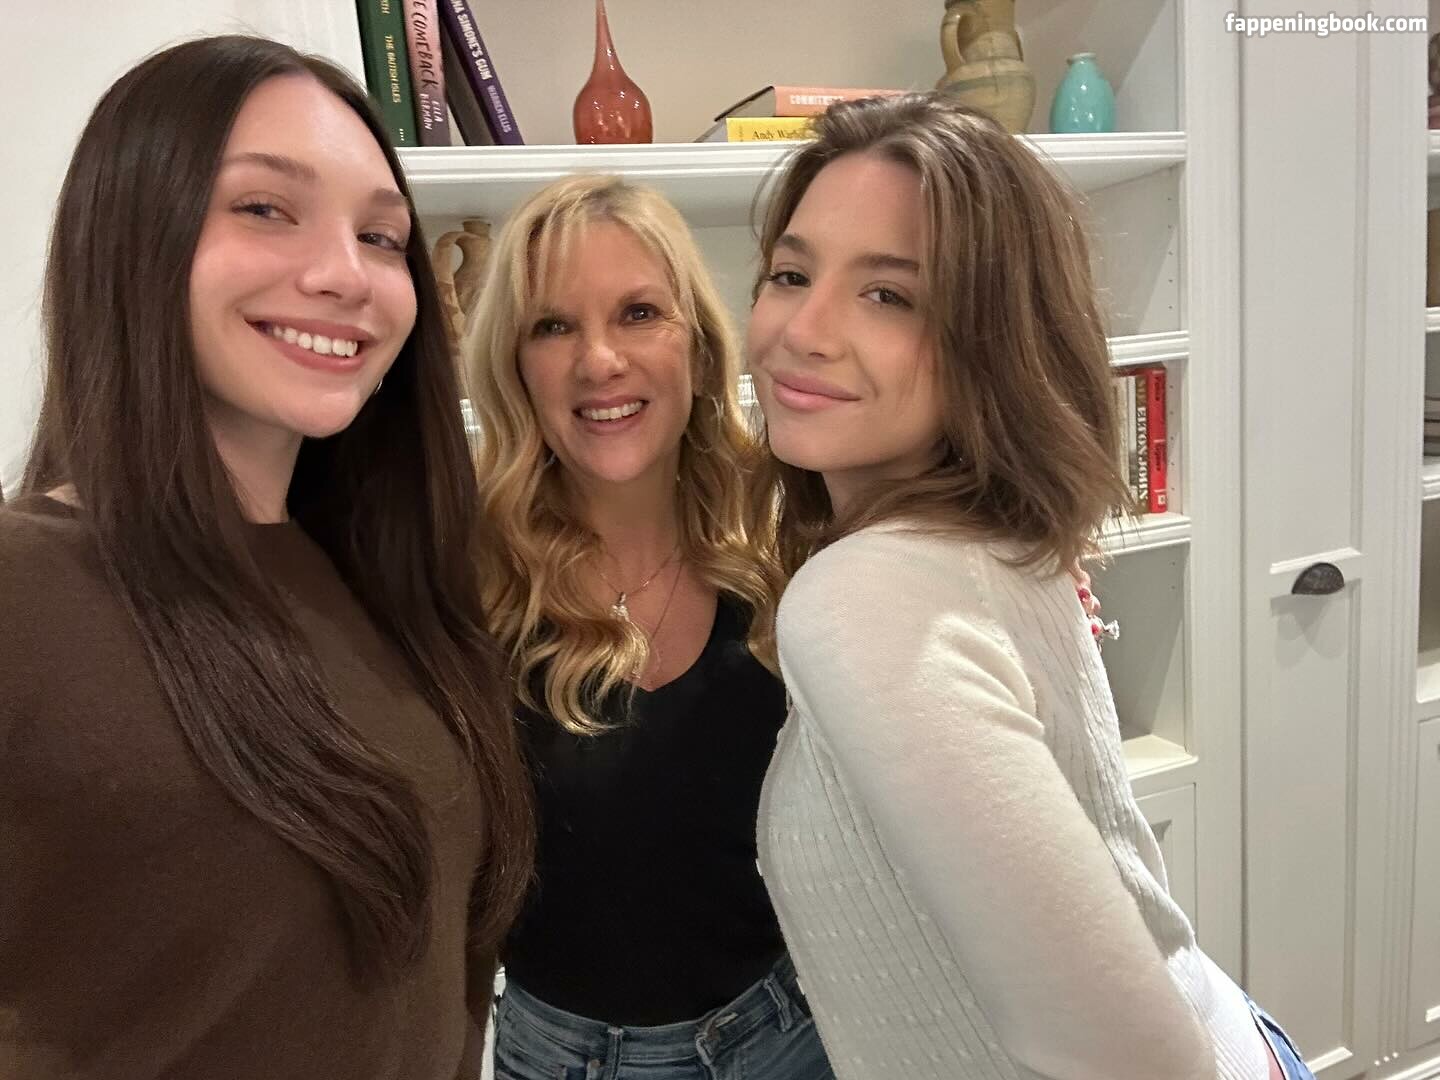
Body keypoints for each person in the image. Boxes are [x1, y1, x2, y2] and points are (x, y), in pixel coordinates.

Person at [747, 92, 1314, 1080]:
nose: (804, 328)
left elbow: (1136, 1060)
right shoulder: (991, 537)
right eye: (792, 273)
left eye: (890, 296)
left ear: (993, 339)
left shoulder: (859, 595)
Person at [0, 35, 532, 1080]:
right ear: (131, 232)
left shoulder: (387, 582)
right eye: (263, 207)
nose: (345, 274)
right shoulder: (22, 592)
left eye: (380, 236)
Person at [461, 173, 834, 1080]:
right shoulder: (466, 582)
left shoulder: (788, 548)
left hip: (792, 1034)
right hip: (563, 1060)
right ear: (515, 368)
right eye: (553, 326)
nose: (599, 361)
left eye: (638, 314)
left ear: (700, 353)